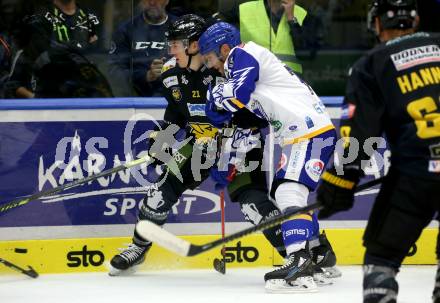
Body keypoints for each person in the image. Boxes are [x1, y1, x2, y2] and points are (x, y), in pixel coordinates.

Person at [108, 14, 295, 277]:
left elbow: (255, 114)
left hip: (239, 145)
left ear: (193, 45)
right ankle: (138, 247)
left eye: (174, 44)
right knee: (160, 190)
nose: (169, 50)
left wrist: (227, 134)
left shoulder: (224, 68)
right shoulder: (171, 75)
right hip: (199, 145)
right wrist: (161, 141)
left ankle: (301, 254)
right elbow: (175, 116)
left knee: (253, 205)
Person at [198, 21, 338, 292]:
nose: (210, 65)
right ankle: (317, 255)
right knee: (290, 193)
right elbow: (247, 113)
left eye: (210, 57)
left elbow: (237, 94)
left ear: (224, 49)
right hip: (305, 133)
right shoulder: (248, 70)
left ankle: (298, 261)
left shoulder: (243, 54)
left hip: (307, 132)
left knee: (288, 193)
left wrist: (215, 97)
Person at [315, 0, 440, 302]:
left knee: (381, 259)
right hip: (415, 171)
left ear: (377, 25)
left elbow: (359, 137)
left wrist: (339, 183)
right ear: (416, 20)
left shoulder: (372, 64)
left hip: (415, 177)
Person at [108, 0, 177, 97]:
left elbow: (193, 65)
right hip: (136, 99)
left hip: (175, 97)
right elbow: (114, 72)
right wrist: (146, 75)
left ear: (167, 1)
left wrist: (170, 70)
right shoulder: (126, 30)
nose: (152, 2)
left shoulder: (179, 27)